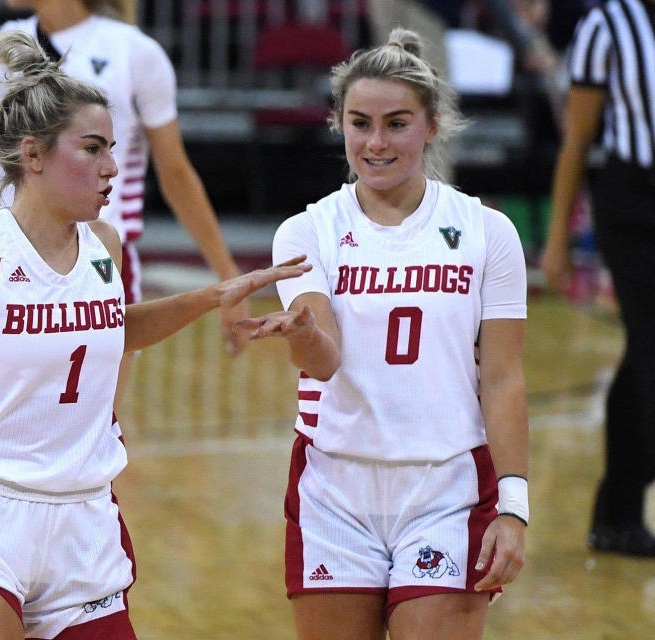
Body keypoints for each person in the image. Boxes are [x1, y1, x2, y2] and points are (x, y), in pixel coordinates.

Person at [0, 30, 310, 640]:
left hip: (86, 523)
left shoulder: (105, 247)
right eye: (93, 149)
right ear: (33, 154)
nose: (113, 168)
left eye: (113, 150)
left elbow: (114, 330)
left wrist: (210, 297)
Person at [236, 28, 530, 640]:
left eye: (397, 123)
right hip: (333, 490)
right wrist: (302, 331)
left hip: (448, 487)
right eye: (359, 123)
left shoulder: (487, 232)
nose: (375, 142)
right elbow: (324, 361)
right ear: (337, 124)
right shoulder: (306, 231)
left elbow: (503, 379)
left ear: (432, 124)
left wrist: (514, 507)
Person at [0, 0, 250, 407]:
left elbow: (176, 175)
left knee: (94, 425)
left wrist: (228, 275)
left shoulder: (135, 52)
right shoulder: (2, 47)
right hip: (7, 262)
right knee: (3, 419)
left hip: (99, 261)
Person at [541, 0, 655, 557]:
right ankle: (620, 512)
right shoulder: (604, 25)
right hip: (633, 206)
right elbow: (576, 140)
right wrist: (558, 240)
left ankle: (618, 515)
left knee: (643, 354)